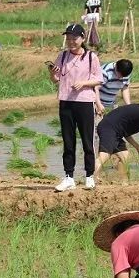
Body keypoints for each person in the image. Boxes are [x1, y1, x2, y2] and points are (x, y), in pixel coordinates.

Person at [50, 23, 102, 191]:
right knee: (68, 140)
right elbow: (55, 79)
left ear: (83, 38)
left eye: (74, 38)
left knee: (88, 140)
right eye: (69, 38)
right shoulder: (63, 56)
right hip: (65, 101)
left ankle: (89, 176)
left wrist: (84, 83)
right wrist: (52, 72)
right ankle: (68, 177)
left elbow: (98, 79)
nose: (71, 41)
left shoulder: (90, 57)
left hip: (85, 102)